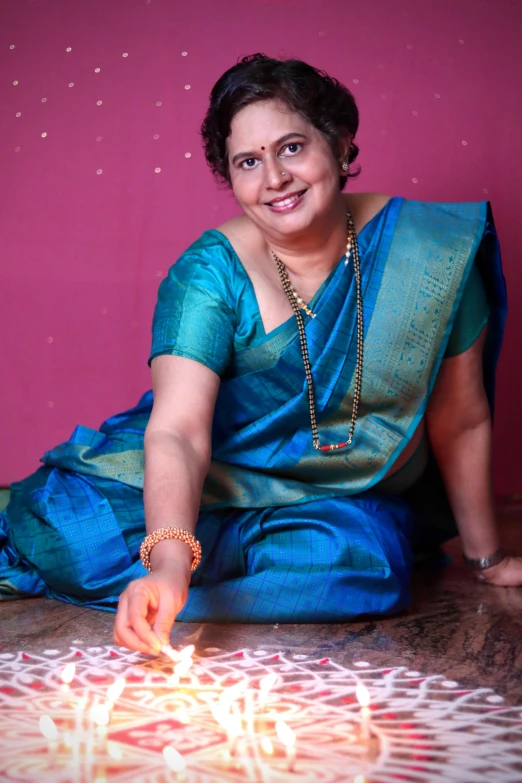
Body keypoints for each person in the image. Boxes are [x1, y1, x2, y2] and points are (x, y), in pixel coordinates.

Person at [0, 54, 518, 655]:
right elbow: (178, 433)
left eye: (292, 147)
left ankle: (199, 572)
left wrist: (487, 556)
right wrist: (169, 558)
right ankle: (174, 579)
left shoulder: (429, 255)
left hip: (330, 497)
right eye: (248, 162)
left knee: (364, 566)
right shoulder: (208, 274)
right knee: (75, 532)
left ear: (341, 145)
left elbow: (460, 418)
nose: (274, 178)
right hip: (197, 477)